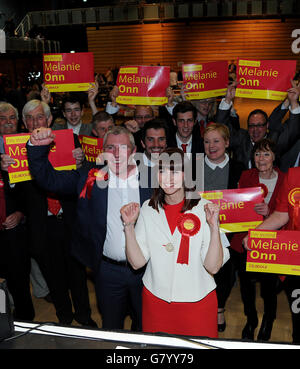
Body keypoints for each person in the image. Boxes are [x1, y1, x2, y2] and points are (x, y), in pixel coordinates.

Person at [26, 125, 153, 331]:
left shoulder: (153, 179)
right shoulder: (90, 177)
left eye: (123, 148)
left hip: (147, 271)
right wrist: (36, 148)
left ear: (134, 151)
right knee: (112, 326)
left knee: (145, 323)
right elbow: (48, 180)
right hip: (107, 271)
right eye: (110, 148)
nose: (116, 154)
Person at [1, 99, 95, 327]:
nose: (35, 122)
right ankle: (63, 318)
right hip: (43, 224)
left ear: (49, 119)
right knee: (54, 278)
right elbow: (16, 195)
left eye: (39, 117)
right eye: (29, 118)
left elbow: (85, 180)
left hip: (70, 220)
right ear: (24, 123)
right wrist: (7, 175)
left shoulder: (69, 140)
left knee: (77, 275)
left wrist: (82, 163)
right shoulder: (17, 148)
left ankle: (84, 316)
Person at [120, 147, 230, 337]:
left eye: (175, 171)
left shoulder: (205, 208)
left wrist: (214, 228)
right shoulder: (147, 208)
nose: (168, 178)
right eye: (162, 171)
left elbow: (213, 267)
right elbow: (137, 263)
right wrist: (129, 226)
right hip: (156, 302)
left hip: (197, 304)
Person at [231, 138, 285, 341]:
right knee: (246, 288)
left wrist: (270, 211)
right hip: (245, 241)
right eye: (257, 154)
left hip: (272, 244)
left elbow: (288, 212)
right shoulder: (246, 176)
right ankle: (251, 319)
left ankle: (268, 321)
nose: (261, 158)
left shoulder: (285, 179)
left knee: (269, 290)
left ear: (274, 157)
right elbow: (238, 207)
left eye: (266, 154)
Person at [243, 164, 300, 344]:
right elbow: (282, 215)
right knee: (298, 322)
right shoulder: (294, 175)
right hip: (295, 261)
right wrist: (255, 234)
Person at [203, 123, 245, 332]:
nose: (211, 146)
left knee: (225, 274)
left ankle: (219, 308)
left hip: (229, 233)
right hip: (198, 230)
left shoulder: (240, 168)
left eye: (216, 141)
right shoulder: (193, 167)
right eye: (207, 141)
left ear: (227, 143)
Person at [0, 102, 34, 321]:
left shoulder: (26, 146)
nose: (9, 122)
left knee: (19, 278)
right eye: (3, 118)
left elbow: (33, 192)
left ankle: (23, 319)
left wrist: (22, 213)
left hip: (15, 227)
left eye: (12, 117)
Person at [216, 81, 300, 169]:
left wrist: (293, 102)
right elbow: (221, 129)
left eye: (260, 125)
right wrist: (228, 99)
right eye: (252, 126)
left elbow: (292, 130)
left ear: (267, 126)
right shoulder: (241, 139)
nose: (255, 130)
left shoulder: (274, 140)